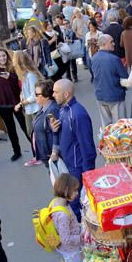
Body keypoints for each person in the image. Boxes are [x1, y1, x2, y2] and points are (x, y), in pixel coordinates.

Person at [49, 79, 96, 220]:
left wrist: (87, 177)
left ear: (66, 94)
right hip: (68, 165)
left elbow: (88, 148)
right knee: (72, 202)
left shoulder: (78, 114)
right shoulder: (63, 109)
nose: (53, 95)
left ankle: (82, 233)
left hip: (77, 168)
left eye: (56, 92)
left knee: (77, 204)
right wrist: (54, 131)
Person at [0, 47, 29, 162]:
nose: (2, 58)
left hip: (16, 102)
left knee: (25, 126)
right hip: (2, 104)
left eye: (3, 55)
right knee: (11, 129)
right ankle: (17, 151)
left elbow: (19, 82)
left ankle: (36, 147)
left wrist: (10, 77)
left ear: (7, 55)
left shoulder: (13, 67)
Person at [90, 34, 129, 126]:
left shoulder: (94, 58)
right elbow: (124, 76)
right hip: (115, 95)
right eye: (111, 42)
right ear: (103, 44)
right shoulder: (114, 59)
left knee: (107, 127)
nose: (114, 44)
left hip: (100, 95)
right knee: (121, 126)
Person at [12, 51, 41, 167]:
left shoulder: (30, 76)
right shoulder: (25, 76)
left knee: (34, 133)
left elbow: (34, 95)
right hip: (30, 109)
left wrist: (21, 103)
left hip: (34, 108)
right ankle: (38, 155)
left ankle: (39, 156)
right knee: (31, 132)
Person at [49, 174, 82, 262]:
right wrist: (82, 237)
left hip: (64, 249)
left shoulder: (55, 203)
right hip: (71, 251)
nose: (77, 193)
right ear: (66, 190)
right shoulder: (63, 215)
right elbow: (66, 239)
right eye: (75, 190)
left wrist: (78, 225)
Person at [31, 79, 60, 168]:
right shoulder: (43, 108)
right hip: (46, 155)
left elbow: (57, 132)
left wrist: (54, 152)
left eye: (36, 94)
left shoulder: (52, 110)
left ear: (46, 96)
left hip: (51, 157)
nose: (34, 96)